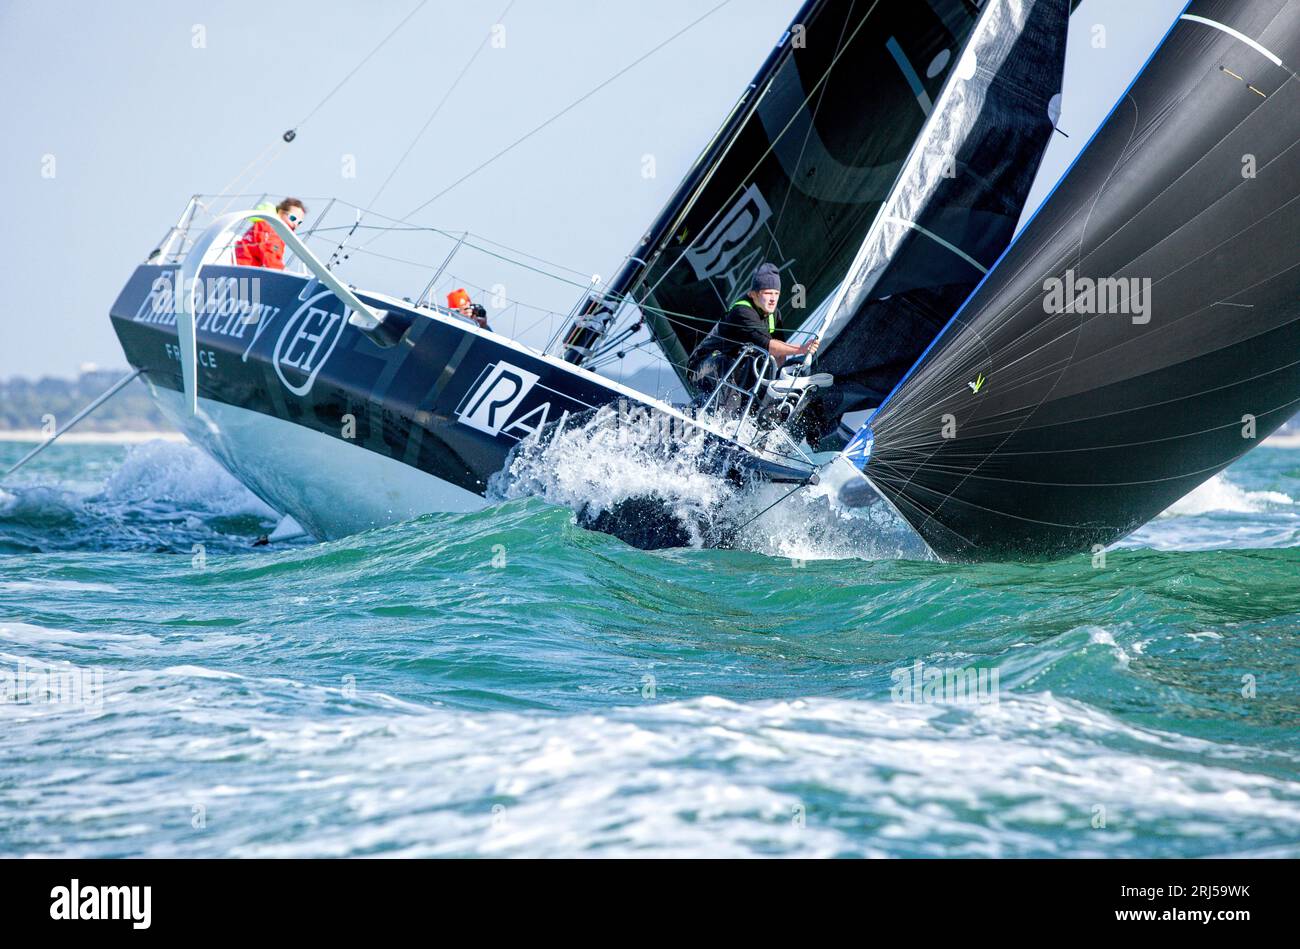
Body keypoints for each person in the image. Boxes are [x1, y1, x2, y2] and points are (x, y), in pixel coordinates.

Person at [688, 262, 817, 402]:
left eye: (776, 293)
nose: (773, 299)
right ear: (753, 294)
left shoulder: (774, 315)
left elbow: (779, 354)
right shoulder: (742, 311)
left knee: (761, 364)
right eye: (767, 293)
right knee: (725, 362)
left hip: (736, 369)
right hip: (700, 369)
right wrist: (802, 349)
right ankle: (720, 411)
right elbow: (769, 345)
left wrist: (779, 382)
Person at [233, 198, 307, 270]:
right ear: (280, 212)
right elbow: (269, 255)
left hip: (242, 268)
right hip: (249, 272)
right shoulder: (272, 229)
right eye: (293, 218)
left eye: (299, 222)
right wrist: (284, 271)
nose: (295, 224)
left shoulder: (263, 225)